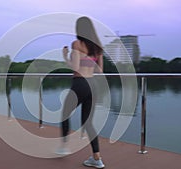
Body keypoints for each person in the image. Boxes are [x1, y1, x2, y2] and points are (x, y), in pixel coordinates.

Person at [58, 16, 105, 169]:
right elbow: (100, 70)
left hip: (80, 83)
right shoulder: (98, 48)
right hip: (93, 85)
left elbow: (75, 67)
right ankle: (97, 158)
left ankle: (64, 147)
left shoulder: (77, 44)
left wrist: (65, 56)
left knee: (64, 114)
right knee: (88, 123)